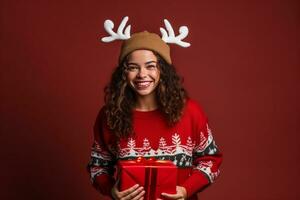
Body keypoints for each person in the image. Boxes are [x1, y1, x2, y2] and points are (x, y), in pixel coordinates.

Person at [87, 31, 222, 200]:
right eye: (133, 67)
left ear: (163, 70)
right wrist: (111, 190)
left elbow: (211, 161)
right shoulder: (109, 116)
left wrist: (187, 190)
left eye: (151, 66)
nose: (142, 74)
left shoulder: (190, 112)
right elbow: (97, 167)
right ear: (123, 72)